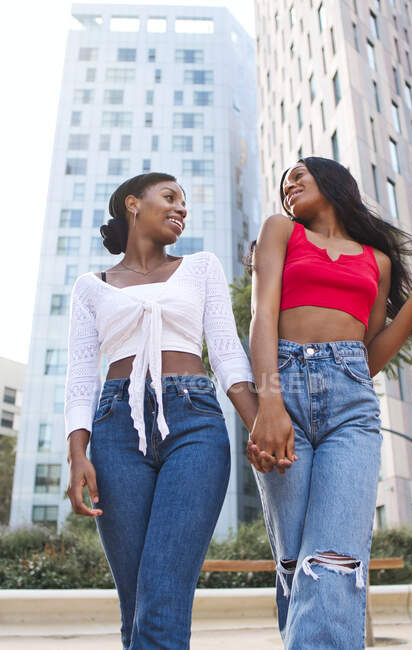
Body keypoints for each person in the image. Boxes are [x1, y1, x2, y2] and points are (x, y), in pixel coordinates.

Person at [247, 157, 412, 649]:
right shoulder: (280, 231)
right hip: (284, 388)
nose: (289, 186)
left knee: (334, 559)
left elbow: (371, 353)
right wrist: (268, 403)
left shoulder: (376, 260)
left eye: (299, 175)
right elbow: (261, 314)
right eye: (284, 183)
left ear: (333, 182)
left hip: (351, 404)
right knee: (296, 559)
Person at [65, 172, 257, 650]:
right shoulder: (92, 286)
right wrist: (77, 454)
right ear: (133, 204)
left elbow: (229, 353)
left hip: (193, 421)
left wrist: (260, 425)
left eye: (185, 202)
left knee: (162, 598)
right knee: (138, 607)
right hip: (114, 431)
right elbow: (80, 376)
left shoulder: (201, 267)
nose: (181, 209)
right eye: (170, 197)